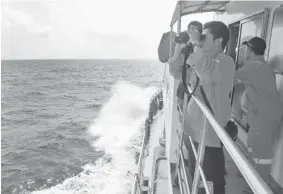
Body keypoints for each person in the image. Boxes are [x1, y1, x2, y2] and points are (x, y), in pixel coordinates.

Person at [184, 21, 235, 194]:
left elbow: (206, 73)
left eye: (205, 37)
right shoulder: (202, 57)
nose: (201, 40)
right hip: (194, 132)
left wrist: (197, 45)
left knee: (212, 184)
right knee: (196, 178)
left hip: (210, 137)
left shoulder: (225, 61)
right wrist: (182, 47)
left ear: (219, 41)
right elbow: (179, 69)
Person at [233, 37, 283, 193]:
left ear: (249, 50)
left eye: (244, 49)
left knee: (261, 158)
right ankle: (252, 181)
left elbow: (229, 79)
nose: (242, 52)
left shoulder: (255, 67)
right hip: (262, 119)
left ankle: (256, 188)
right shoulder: (262, 66)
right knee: (256, 152)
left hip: (263, 120)